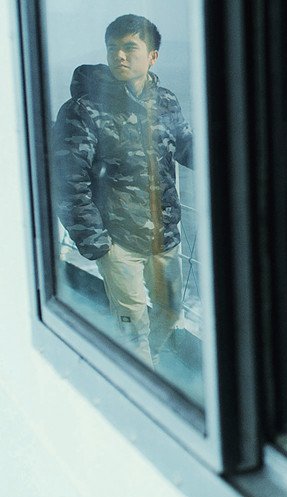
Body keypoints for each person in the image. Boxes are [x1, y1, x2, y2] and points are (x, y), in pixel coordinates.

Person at [52, 14, 193, 369]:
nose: (120, 56)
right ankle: (150, 386)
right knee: (134, 328)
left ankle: (154, 361)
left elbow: (187, 149)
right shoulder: (82, 111)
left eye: (130, 47)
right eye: (113, 48)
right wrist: (97, 243)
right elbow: (68, 182)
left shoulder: (166, 102)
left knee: (170, 310)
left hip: (165, 236)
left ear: (152, 56)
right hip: (117, 240)